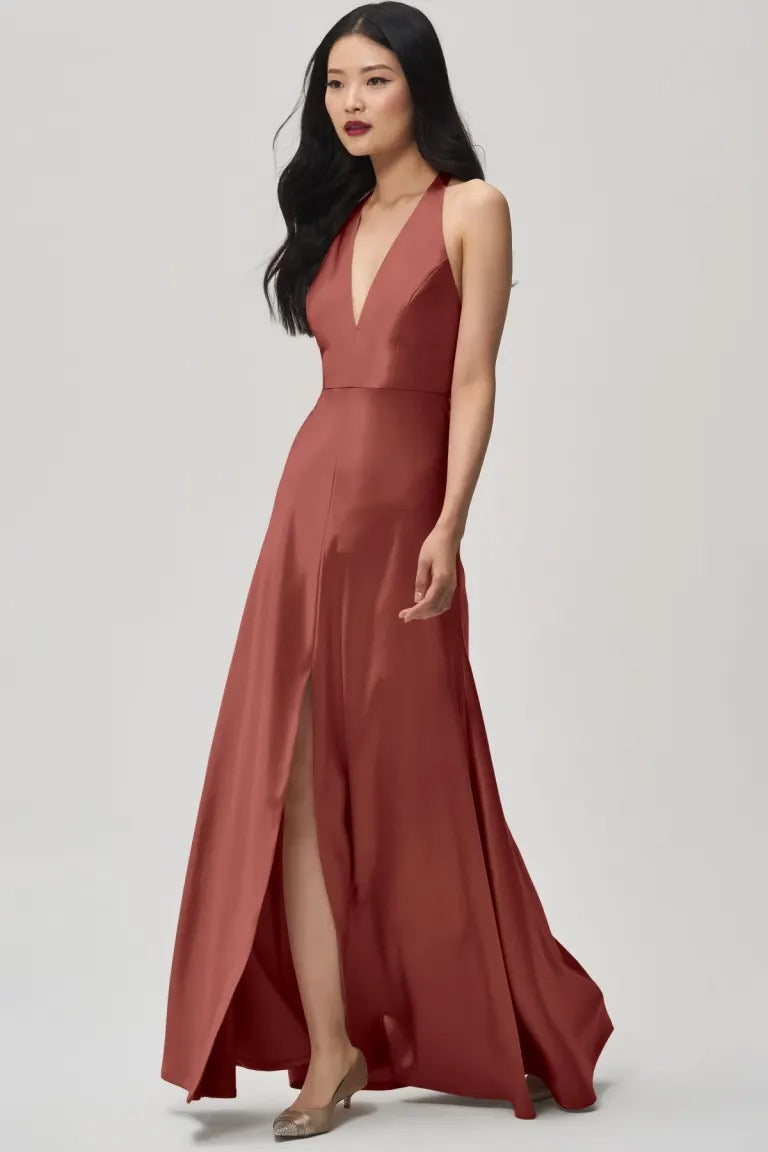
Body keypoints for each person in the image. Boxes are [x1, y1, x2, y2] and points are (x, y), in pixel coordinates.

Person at [160, 2, 613, 1140]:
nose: (350, 103)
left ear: (421, 87)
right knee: (294, 781)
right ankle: (330, 1049)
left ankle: (497, 1001)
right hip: (309, 508)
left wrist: (451, 523)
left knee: (419, 772)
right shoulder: (336, 218)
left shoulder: (476, 208)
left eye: (373, 80)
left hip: (405, 515)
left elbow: (470, 382)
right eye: (333, 85)